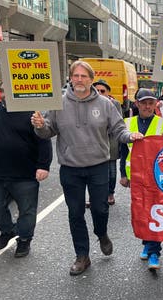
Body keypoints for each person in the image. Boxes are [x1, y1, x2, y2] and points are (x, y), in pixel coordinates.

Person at [31, 60, 144, 275]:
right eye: (76, 76)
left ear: (91, 79)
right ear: (71, 78)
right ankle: (82, 256)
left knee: (100, 209)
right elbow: (48, 132)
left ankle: (101, 233)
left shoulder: (105, 104)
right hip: (70, 168)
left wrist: (130, 136)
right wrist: (39, 126)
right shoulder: (58, 103)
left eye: (84, 76)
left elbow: (119, 129)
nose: (80, 80)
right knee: (75, 213)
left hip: (98, 166)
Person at [0, 88, 52, 257]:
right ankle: (7, 231)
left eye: (8, 90)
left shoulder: (31, 113)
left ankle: (24, 240)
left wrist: (43, 166)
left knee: (27, 210)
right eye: (2, 90)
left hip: (25, 173)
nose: (4, 94)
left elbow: (43, 140)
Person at [119, 88, 163, 270]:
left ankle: (155, 252)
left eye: (151, 103)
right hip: (135, 177)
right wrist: (123, 174)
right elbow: (123, 151)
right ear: (136, 104)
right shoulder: (127, 123)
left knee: (155, 213)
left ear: (155, 105)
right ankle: (147, 242)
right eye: (143, 103)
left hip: (157, 177)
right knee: (142, 212)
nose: (147, 106)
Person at [92, 79, 122, 206]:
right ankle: (93, 195)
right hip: (94, 142)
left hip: (110, 141)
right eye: (96, 90)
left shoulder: (114, 104)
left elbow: (118, 124)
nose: (99, 93)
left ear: (108, 92)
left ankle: (110, 193)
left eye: (102, 91)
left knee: (111, 170)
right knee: (92, 172)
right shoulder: (89, 104)